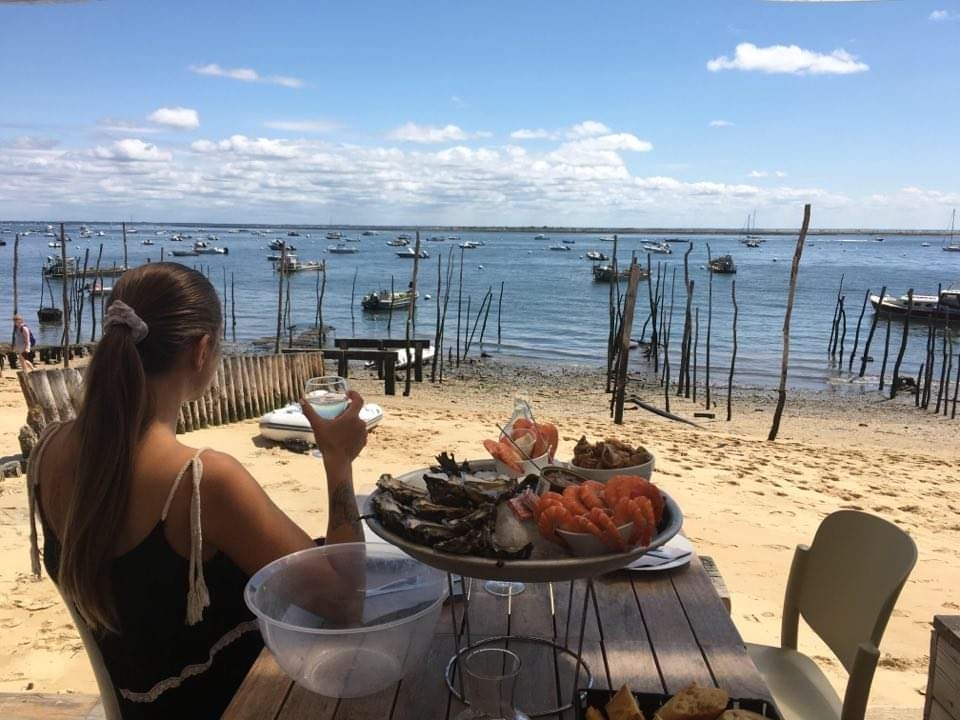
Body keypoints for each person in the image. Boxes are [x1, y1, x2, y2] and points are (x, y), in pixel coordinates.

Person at [28, 262, 368, 718]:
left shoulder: (46, 451)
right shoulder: (200, 481)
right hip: (239, 706)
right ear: (202, 350)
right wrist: (338, 462)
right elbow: (345, 603)